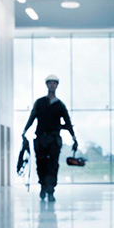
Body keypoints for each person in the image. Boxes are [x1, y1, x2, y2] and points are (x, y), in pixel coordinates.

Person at [22, 74, 77, 202]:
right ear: (47, 85)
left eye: (54, 83)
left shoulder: (60, 105)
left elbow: (68, 122)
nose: (52, 85)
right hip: (41, 139)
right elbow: (32, 118)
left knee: (52, 165)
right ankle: (43, 187)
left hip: (54, 140)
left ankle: (51, 190)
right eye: (50, 83)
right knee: (41, 164)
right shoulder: (40, 103)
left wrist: (74, 137)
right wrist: (24, 131)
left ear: (57, 85)